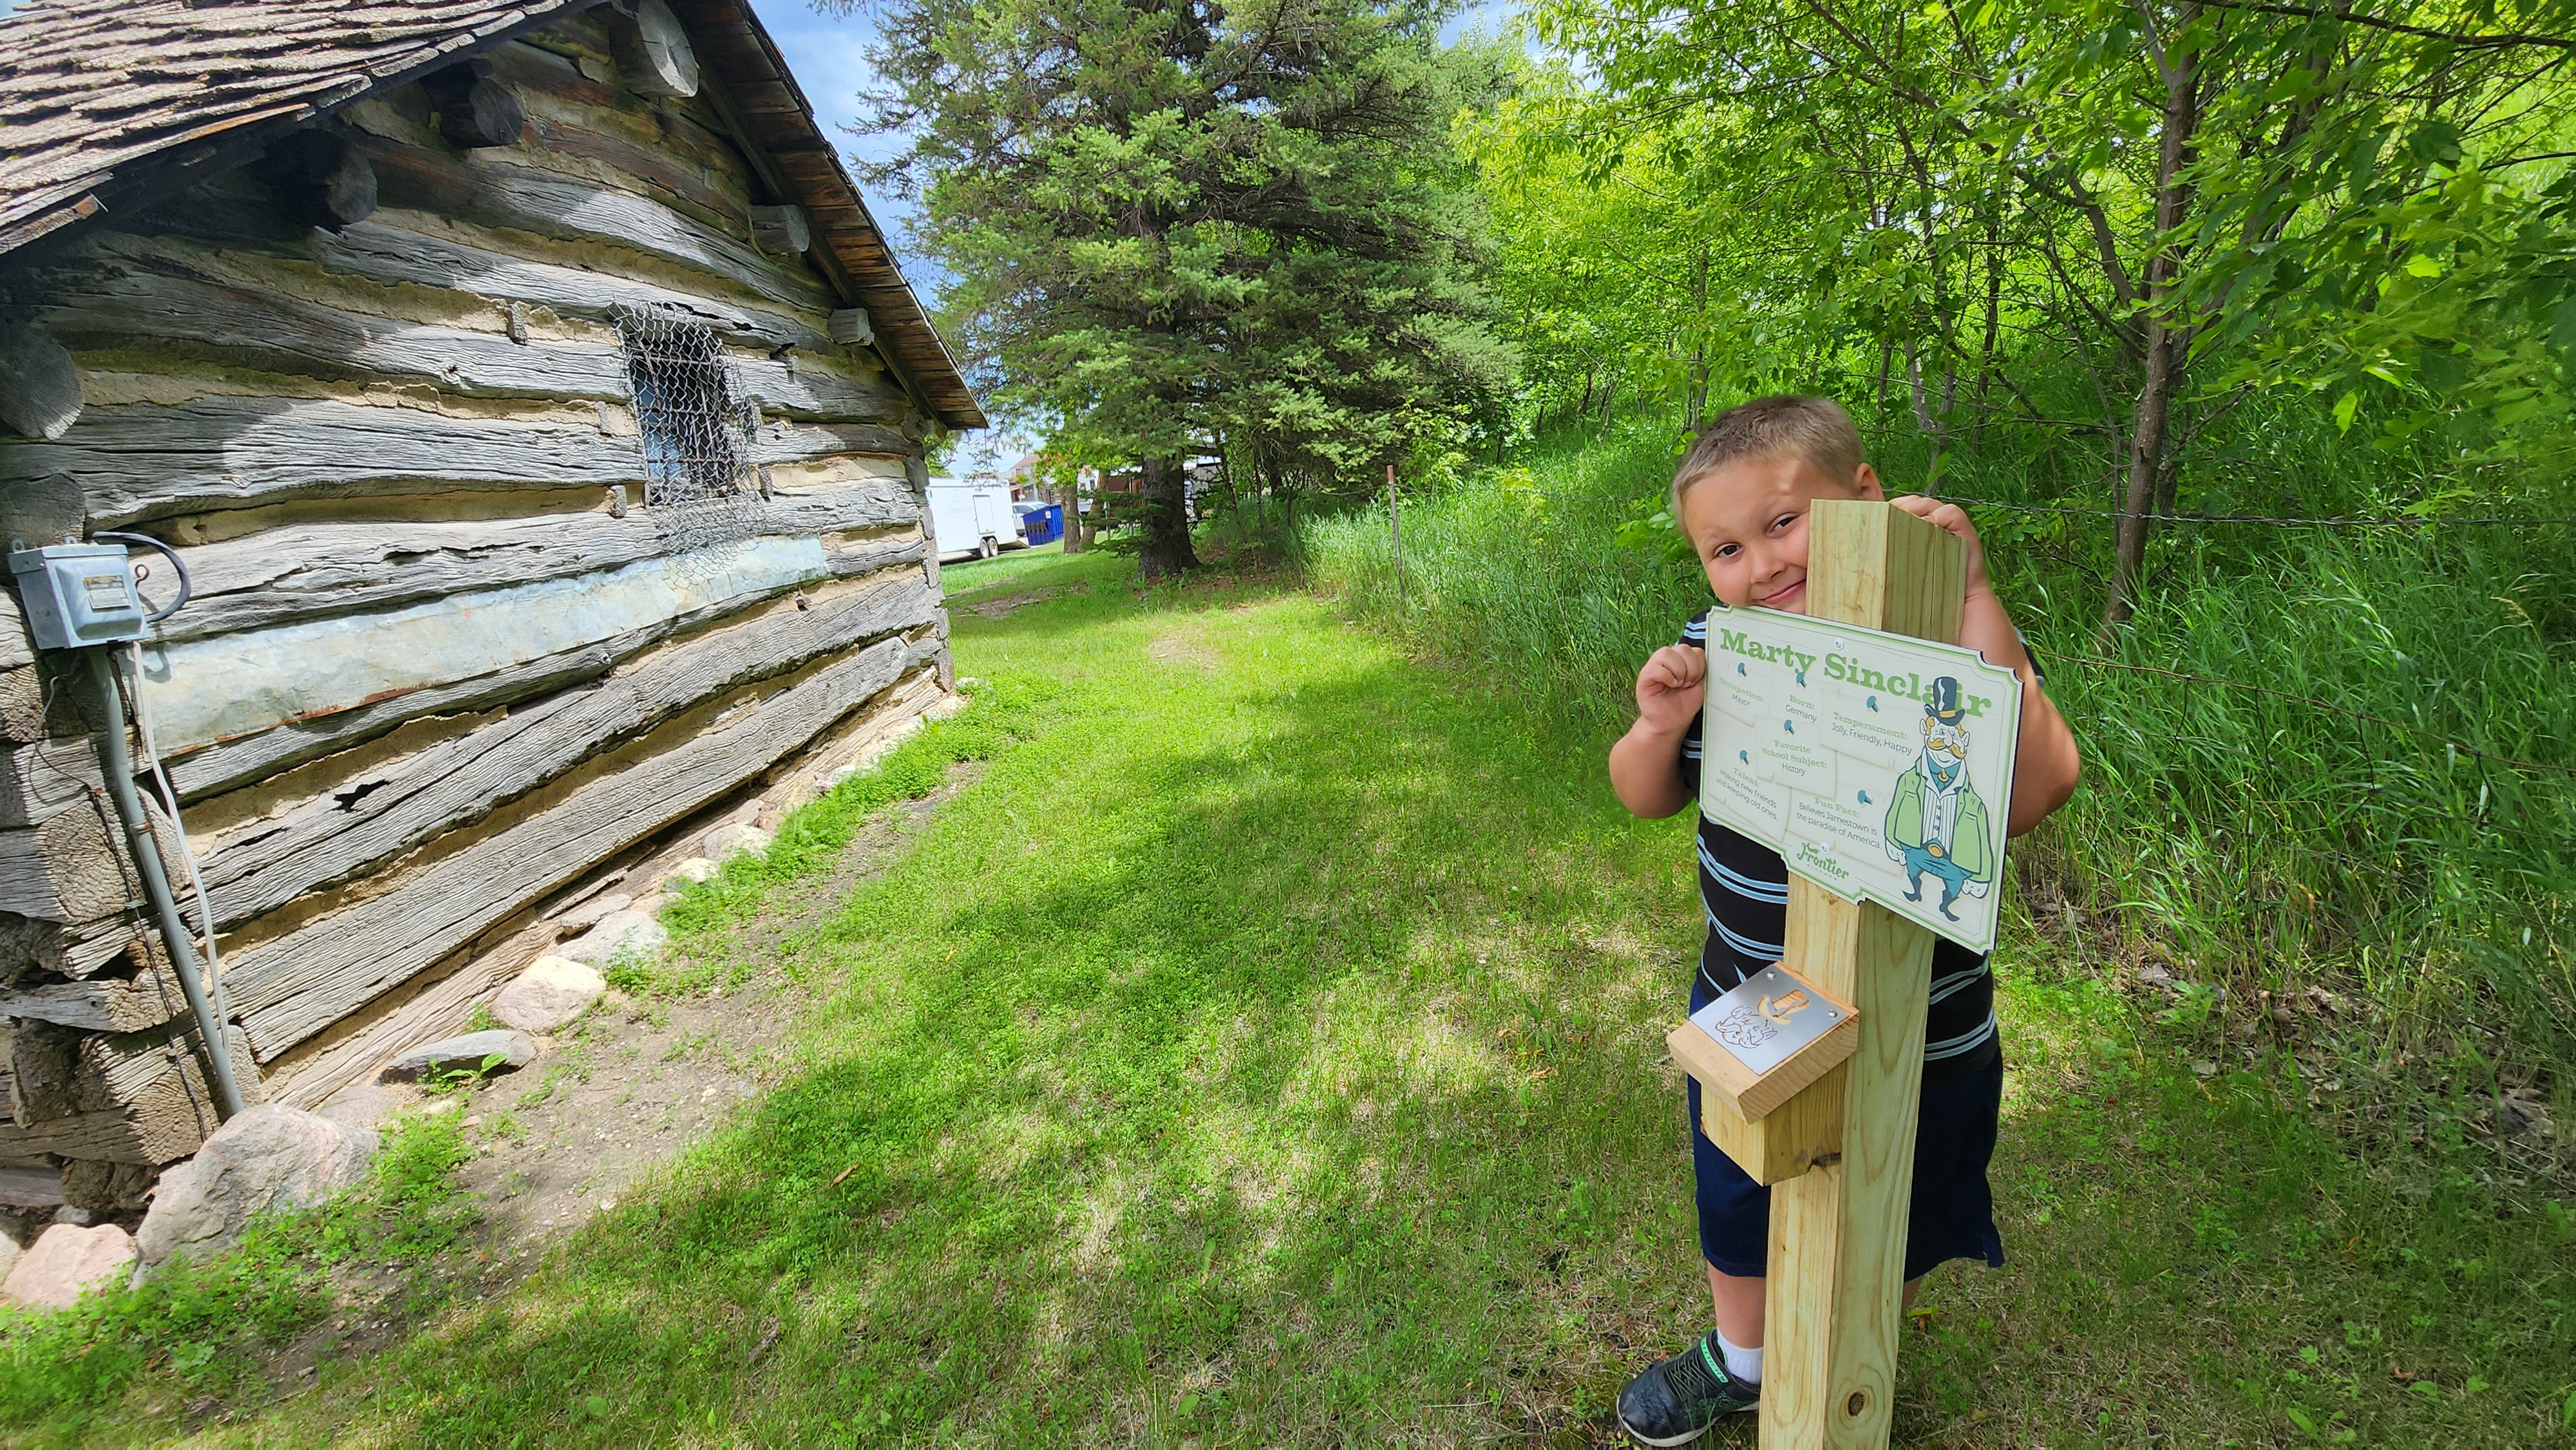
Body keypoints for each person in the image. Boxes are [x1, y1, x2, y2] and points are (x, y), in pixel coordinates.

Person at [1604, 395, 2082, 1444]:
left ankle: (1859, 1352)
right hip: (1757, 997)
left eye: (1785, 523)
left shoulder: (1945, 639)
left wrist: (1976, 592)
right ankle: (1743, 1361)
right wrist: (1657, 724)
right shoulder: (1719, 648)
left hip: (1925, 1026)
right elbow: (1641, 792)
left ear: (1868, 494)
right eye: (1726, 548)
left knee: (1894, 1210)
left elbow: (2039, 787)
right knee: (1737, 1189)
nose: (1764, 564)